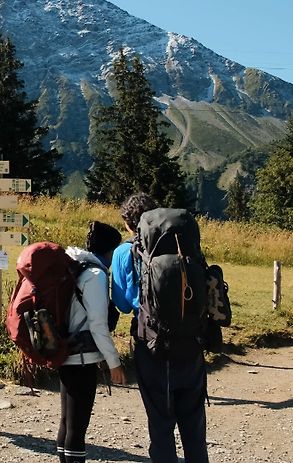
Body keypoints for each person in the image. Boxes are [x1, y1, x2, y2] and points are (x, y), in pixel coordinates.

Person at [111, 193, 208, 463]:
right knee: (195, 427)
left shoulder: (124, 252)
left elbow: (121, 302)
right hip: (192, 341)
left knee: (162, 425)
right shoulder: (185, 245)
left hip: (152, 345)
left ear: (131, 225)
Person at [57, 223, 127, 463]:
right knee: (77, 425)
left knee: (67, 421)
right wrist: (114, 362)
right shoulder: (95, 275)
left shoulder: (75, 266)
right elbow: (98, 325)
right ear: (109, 251)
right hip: (83, 357)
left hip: (64, 350)